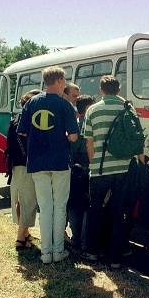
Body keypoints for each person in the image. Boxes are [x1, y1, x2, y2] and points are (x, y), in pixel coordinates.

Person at [18, 66, 78, 264]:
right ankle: (58, 251)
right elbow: (73, 136)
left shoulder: (32, 103)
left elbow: (23, 132)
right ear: (59, 81)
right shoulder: (65, 105)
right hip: (60, 161)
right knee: (59, 206)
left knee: (45, 207)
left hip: (37, 162)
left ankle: (46, 253)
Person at [83, 76, 141, 268]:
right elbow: (137, 138)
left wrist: (94, 164)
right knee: (119, 213)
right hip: (123, 169)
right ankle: (115, 257)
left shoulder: (92, 110)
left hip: (100, 170)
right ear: (118, 89)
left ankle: (92, 252)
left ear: (102, 90)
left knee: (95, 211)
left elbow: (89, 143)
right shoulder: (128, 108)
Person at [6, 89, 40, 250]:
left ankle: (24, 233)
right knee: (29, 201)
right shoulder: (34, 122)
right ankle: (20, 236)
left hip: (15, 165)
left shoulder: (15, 121)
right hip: (29, 165)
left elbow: (9, 146)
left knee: (21, 200)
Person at [67, 94, 94, 253]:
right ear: (89, 107)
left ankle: (75, 239)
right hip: (88, 167)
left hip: (73, 169)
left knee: (73, 204)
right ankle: (85, 242)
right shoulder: (91, 124)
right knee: (87, 207)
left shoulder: (73, 124)